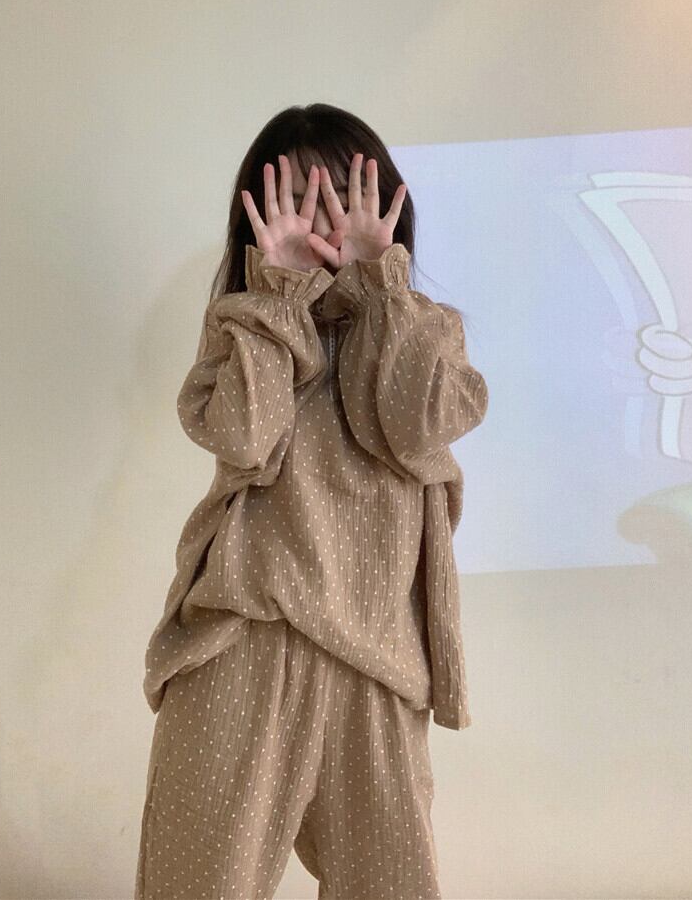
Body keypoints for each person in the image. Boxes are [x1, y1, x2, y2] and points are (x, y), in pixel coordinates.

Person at [134, 103, 489, 900]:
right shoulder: (245, 326)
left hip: (377, 658)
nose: (322, 219)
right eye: (295, 200)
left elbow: (416, 428)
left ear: (385, 202)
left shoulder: (426, 329)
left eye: (342, 196)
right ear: (256, 218)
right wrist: (278, 294)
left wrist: (382, 284)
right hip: (240, 644)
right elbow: (244, 436)